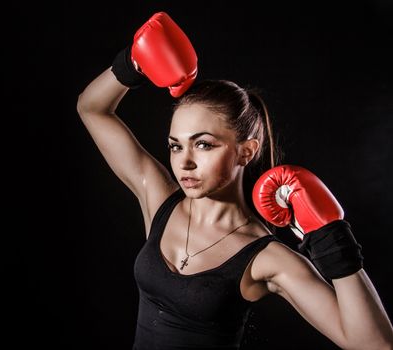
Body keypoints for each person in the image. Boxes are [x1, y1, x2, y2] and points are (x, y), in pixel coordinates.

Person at [76, 11, 393, 350]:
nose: (184, 161)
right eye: (175, 146)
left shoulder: (264, 256)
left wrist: (331, 237)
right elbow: (91, 108)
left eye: (203, 144)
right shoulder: (159, 201)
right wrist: (133, 63)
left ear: (246, 152)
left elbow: (374, 344)